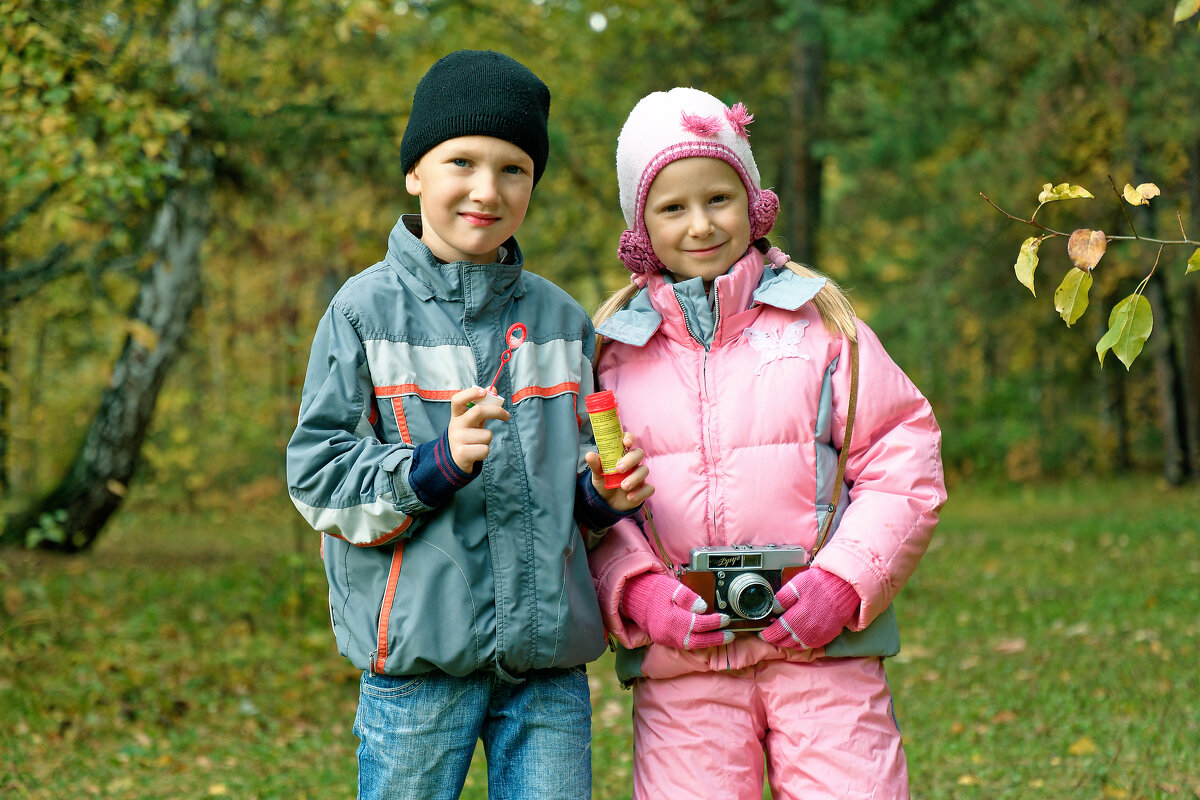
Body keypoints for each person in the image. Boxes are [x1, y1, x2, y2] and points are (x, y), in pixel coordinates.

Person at [285, 50, 651, 800]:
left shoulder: (561, 320)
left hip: (547, 670)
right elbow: (318, 480)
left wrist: (601, 498)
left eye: (514, 169)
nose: (487, 189)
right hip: (418, 674)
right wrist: (433, 465)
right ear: (416, 172)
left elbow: (574, 484)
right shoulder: (363, 313)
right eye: (462, 161)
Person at [587, 86, 947, 800]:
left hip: (821, 654)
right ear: (641, 227)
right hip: (685, 669)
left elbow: (902, 454)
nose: (699, 225)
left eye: (718, 198)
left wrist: (843, 580)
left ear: (751, 203)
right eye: (672, 207)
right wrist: (639, 593)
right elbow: (591, 502)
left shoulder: (820, 326)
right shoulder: (612, 356)